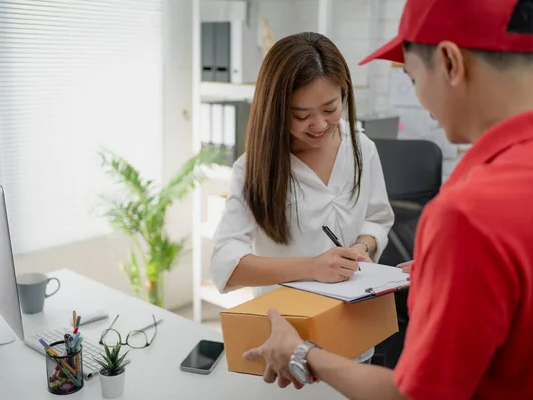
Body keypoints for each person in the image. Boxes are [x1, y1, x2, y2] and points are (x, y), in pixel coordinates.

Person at [243, 0, 533, 398]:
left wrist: (302, 354)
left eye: (412, 78)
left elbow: (413, 396)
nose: (425, 106)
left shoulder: (467, 215)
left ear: (449, 63)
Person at [209, 32, 394, 364]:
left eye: (330, 108)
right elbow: (227, 265)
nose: (319, 124)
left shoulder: (362, 148)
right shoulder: (253, 169)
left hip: (354, 331)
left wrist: (362, 247)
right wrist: (312, 267)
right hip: (286, 341)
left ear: (344, 95)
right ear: (276, 109)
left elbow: (377, 218)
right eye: (301, 114)